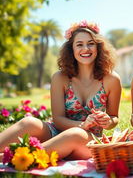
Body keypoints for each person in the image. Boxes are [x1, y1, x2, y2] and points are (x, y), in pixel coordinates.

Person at [0, 20, 122, 161]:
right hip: (57, 131)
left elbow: (114, 117)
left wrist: (108, 121)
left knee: (75, 133)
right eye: (79, 44)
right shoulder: (60, 77)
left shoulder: (112, 79)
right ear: (72, 49)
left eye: (91, 43)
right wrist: (82, 123)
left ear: (98, 47)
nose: (86, 49)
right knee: (30, 122)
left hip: (88, 139)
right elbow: (58, 120)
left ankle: (13, 158)